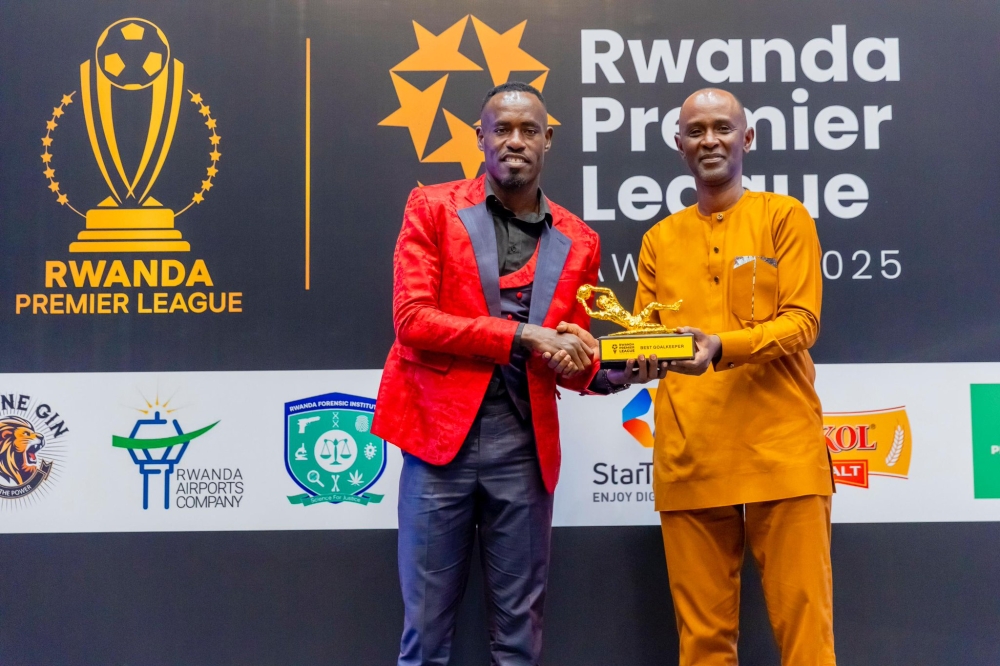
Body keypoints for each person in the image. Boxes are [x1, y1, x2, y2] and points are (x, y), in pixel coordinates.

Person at [372, 81, 660, 666]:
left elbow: (571, 358)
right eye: (501, 129)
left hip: (523, 452)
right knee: (424, 635)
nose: (515, 141)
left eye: (529, 130)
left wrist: (625, 370)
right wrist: (522, 334)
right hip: (437, 446)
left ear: (548, 140)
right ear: (480, 138)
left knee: (519, 641)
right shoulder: (432, 207)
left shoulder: (579, 240)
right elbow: (413, 320)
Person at [636, 88, 836, 665]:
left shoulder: (785, 217)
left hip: (782, 452)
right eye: (695, 131)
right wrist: (622, 361)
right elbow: (648, 341)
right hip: (691, 455)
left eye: (722, 128)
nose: (709, 140)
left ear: (747, 138)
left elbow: (802, 323)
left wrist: (721, 346)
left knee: (807, 641)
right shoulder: (659, 241)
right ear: (679, 146)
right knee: (701, 646)